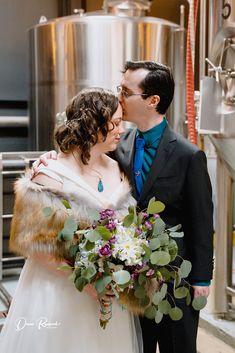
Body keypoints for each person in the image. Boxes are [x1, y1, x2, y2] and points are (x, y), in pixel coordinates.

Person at [34, 61, 214, 353]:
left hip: (173, 277)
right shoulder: (118, 143)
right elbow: (84, 155)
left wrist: (201, 277)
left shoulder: (188, 155)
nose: (119, 97)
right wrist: (52, 158)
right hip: (129, 279)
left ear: (152, 100)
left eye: (126, 91)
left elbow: (202, 220)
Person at [0, 88, 143, 353]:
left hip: (106, 297)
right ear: (93, 124)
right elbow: (34, 245)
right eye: (115, 122)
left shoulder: (116, 167)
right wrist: (86, 283)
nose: (121, 130)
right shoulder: (49, 174)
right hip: (58, 294)